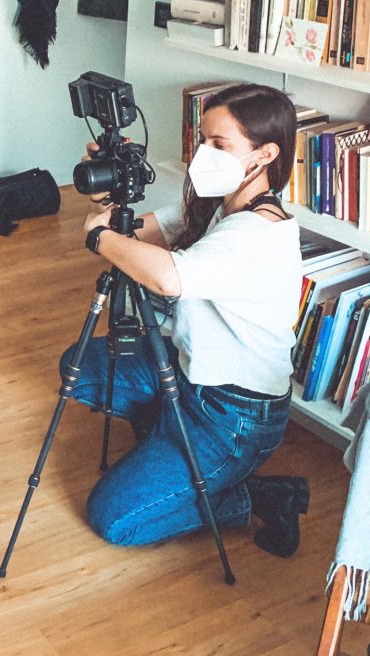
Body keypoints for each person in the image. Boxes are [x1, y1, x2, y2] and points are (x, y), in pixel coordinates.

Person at [65, 83, 309, 557]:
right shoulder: (221, 205)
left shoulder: (256, 236)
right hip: (185, 370)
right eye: (203, 140)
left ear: (264, 155)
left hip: (234, 415)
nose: (203, 154)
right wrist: (110, 185)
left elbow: (167, 278)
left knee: (114, 518)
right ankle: (166, 440)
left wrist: (98, 241)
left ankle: (258, 496)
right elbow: (132, 233)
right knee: (79, 366)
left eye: (220, 145)